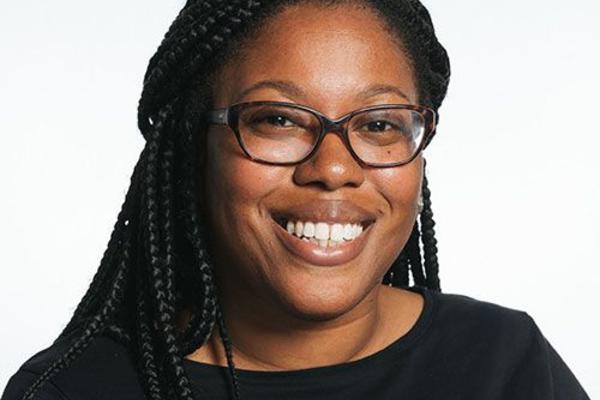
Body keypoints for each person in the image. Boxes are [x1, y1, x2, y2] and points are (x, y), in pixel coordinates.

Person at [1, 0, 591, 399]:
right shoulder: (75, 388)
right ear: (194, 147)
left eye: (378, 124)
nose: (332, 169)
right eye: (278, 119)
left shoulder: (505, 364)